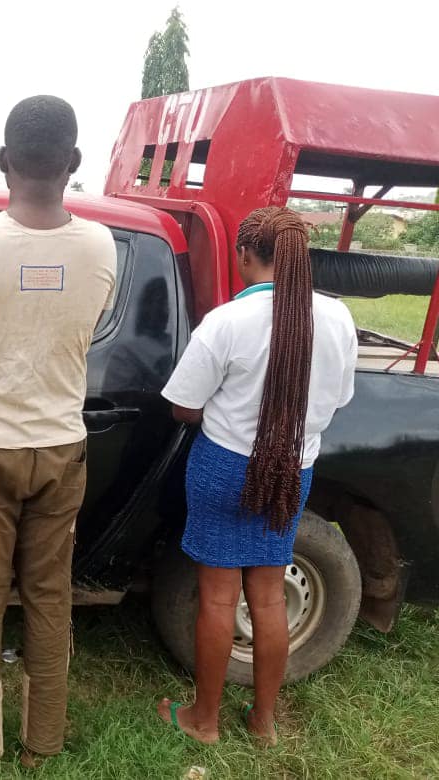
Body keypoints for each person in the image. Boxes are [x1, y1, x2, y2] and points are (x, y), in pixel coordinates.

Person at [0, 95, 117, 764]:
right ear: (75, 163)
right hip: (61, 446)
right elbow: (82, 326)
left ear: (3, 161)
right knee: (49, 592)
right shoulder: (100, 247)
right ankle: (44, 742)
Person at [156, 206, 357, 745]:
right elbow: (337, 402)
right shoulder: (338, 319)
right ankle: (264, 722)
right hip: (293, 471)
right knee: (267, 596)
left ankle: (204, 719)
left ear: (246, 255)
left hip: (224, 467)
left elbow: (182, 406)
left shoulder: (226, 321)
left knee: (219, 597)